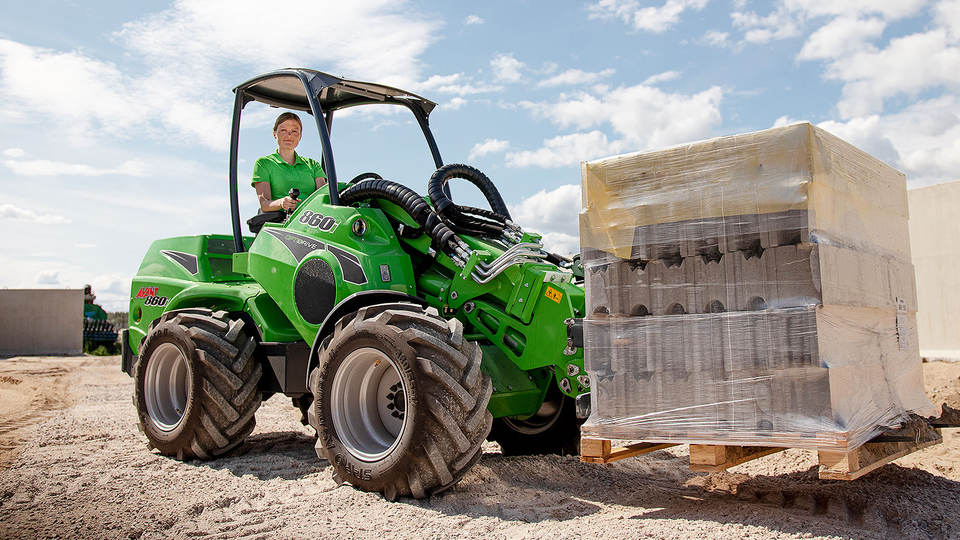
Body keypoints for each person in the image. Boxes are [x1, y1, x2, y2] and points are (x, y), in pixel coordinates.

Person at [251, 112, 326, 213]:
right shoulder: (264, 164)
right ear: (274, 133)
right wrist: (282, 202)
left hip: (313, 218)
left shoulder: (313, 165)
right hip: (282, 220)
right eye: (283, 130)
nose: (289, 135)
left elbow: (324, 196)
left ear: (300, 136)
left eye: (294, 131)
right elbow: (265, 204)